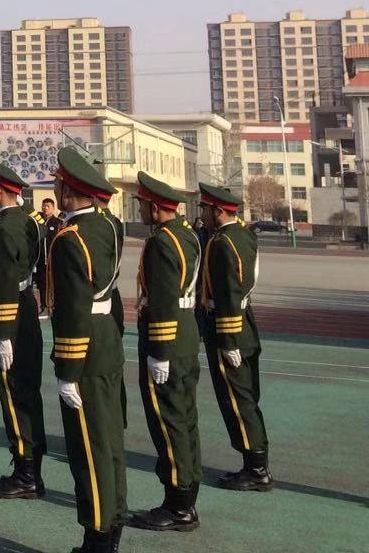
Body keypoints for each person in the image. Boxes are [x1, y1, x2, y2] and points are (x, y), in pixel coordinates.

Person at [47, 147, 126, 553]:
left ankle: (98, 537)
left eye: (58, 184)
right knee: (109, 440)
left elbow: (74, 308)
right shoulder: (109, 227)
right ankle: (113, 524)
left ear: (67, 190)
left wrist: (68, 370)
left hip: (86, 345)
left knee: (88, 447)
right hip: (108, 338)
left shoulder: (70, 239)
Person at [129, 172, 203, 532]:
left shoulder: (161, 242)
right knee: (185, 419)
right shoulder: (186, 235)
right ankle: (187, 495)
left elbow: (162, 298)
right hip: (186, 333)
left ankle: (178, 505)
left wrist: (158, 350)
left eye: (142, 204)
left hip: (167, 337)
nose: (140, 209)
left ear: (156, 208)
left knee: (168, 422)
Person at [0, 159, 48, 499]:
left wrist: (3, 333)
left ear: (0, 190)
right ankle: (31, 467)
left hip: (11, 312)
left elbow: (4, 280)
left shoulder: (5, 227)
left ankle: (26, 473)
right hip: (25, 306)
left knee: (14, 392)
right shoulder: (28, 220)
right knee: (27, 391)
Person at [198, 182, 273, 492]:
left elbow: (229, 292)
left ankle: (256, 469)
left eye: (204, 208)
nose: (202, 213)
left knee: (237, 399)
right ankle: (254, 464)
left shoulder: (223, 243)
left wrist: (227, 341)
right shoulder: (243, 235)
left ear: (218, 210)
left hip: (228, 326)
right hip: (245, 323)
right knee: (246, 397)